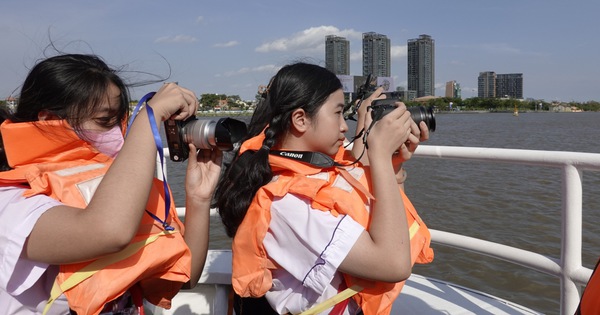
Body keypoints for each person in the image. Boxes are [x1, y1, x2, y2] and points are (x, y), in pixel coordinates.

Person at [0, 54, 223, 314]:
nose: (118, 133)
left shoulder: (116, 195)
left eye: (121, 122)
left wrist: (198, 198)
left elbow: (182, 277)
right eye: (105, 122)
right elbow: (108, 233)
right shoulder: (11, 202)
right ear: (48, 119)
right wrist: (149, 119)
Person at [215, 62, 433, 315]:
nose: (344, 126)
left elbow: (377, 217)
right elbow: (394, 264)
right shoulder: (286, 201)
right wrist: (381, 158)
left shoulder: (313, 173)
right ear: (300, 119)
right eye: (338, 113)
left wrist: (393, 167)